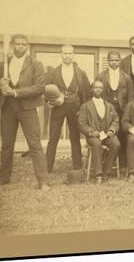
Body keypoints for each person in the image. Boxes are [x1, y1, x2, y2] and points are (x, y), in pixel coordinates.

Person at [0, 34, 50, 190]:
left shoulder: (36, 64)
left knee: (35, 144)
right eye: (17, 44)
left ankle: (43, 181)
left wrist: (15, 93)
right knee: (7, 144)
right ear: (12, 46)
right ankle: (4, 177)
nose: (20, 46)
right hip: (8, 108)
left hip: (27, 108)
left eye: (23, 44)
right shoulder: (4, 64)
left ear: (27, 46)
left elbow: (39, 87)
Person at [45, 45, 91, 173]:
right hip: (58, 107)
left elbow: (86, 93)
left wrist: (83, 109)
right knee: (53, 137)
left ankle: (77, 166)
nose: (67, 56)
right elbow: (46, 90)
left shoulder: (80, 72)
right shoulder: (53, 72)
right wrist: (52, 101)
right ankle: (47, 167)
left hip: (75, 107)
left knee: (74, 136)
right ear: (60, 55)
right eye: (65, 53)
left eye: (70, 53)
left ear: (73, 55)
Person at [78, 80, 121, 183]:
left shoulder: (109, 105)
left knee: (116, 144)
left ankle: (107, 171)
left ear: (103, 90)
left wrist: (111, 130)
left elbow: (116, 120)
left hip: (107, 135)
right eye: (96, 87)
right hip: (93, 136)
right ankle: (98, 174)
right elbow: (81, 124)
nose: (98, 89)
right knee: (96, 144)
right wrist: (92, 132)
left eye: (100, 88)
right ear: (91, 90)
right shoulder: (86, 106)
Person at [96, 51, 134, 116]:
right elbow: (97, 93)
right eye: (111, 60)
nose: (114, 62)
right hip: (106, 108)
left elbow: (130, 95)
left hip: (122, 109)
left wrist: (127, 109)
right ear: (108, 61)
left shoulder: (126, 77)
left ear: (120, 61)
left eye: (116, 60)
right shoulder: (101, 76)